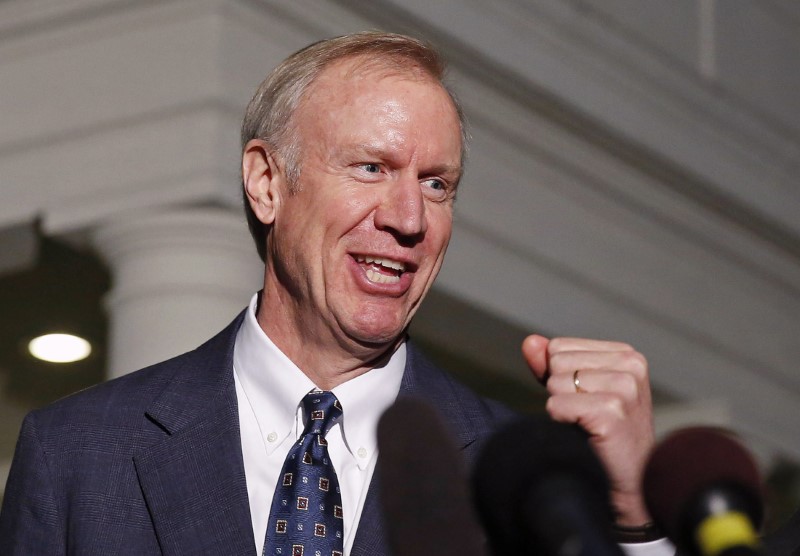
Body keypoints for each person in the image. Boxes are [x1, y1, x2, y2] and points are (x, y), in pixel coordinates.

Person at [0, 32, 664, 555]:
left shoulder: (522, 475)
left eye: (436, 184)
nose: (409, 218)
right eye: (370, 168)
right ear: (267, 183)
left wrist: (635, 518)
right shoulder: (80, 454)